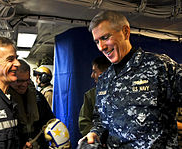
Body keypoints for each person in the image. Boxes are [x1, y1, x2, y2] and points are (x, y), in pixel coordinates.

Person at [78, 10, 182, 148]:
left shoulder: (160, 67)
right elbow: (100, 121)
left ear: (125, 32)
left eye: (105, 37)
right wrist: (94, 133)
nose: (101, 47)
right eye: (97, 41)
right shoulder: (104, 79)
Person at [8, 59, 55, 149]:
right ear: (10, 78)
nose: (24, 85)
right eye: (19, 81)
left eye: (27, 80)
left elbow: (50, 121)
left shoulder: (38, 98)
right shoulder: (4, 101)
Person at [79, 56, 110, 137]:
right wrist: (97, 136)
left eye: (95, 72)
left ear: (105, 72)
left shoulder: (123, 91)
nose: (92, 75)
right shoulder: (91, 95)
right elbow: (84, 122)